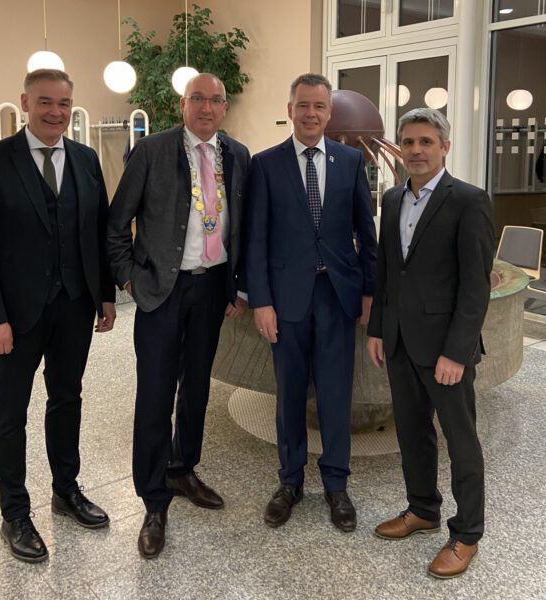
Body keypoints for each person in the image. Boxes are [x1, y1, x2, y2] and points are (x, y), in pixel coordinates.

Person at [0, 69, 116, 563]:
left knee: (67, 399)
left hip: (74, 305)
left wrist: (105, 296)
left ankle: (66, 490)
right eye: (45, 102)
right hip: (16, 314)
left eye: (64, 103)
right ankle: (14, 512)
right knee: (10, 413)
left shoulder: (86, 160)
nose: (55, 112)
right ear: (25, 103)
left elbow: (98, 232)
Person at [107, 73, 250, 559]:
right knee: (155, 395)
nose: (206, 108)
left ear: (224, 107)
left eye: (215, 100)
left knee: (197, 389)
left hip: (212, 288)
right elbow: (116, 223)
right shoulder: (151, 151)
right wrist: (130, 280)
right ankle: (154, 501)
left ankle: (183, 469)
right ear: (182, 105)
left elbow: (243, 226)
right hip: (161, 292)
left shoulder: (237, 156)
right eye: (197, 99)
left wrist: (237, 285)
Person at [366, 107, 495, 579]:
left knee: (461, 442)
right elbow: (386, 273)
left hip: (446, 351)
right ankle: (422, 509)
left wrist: (456, 353)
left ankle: (467, 534)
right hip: (400, 341)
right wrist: (378, 328)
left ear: (445, 147)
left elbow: (475, 287)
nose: (416, 150)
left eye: (426, 141)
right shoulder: (393, 198)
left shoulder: (469, 201)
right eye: (408, 142)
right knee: (411, 431)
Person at [246, 73, 377, 532]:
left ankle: (336, 485)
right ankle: (290, 482)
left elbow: (366, 231)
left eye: (319, 106)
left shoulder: (350, 161)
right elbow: (256, 239)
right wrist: (261, 301)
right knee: (289, 395)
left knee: (336, 394)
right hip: (286, 300)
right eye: (303, 105)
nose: (310, 113)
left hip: (337, 296)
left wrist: (368, 291)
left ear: (329, 113)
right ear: (290, 109)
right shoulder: (265, 164)